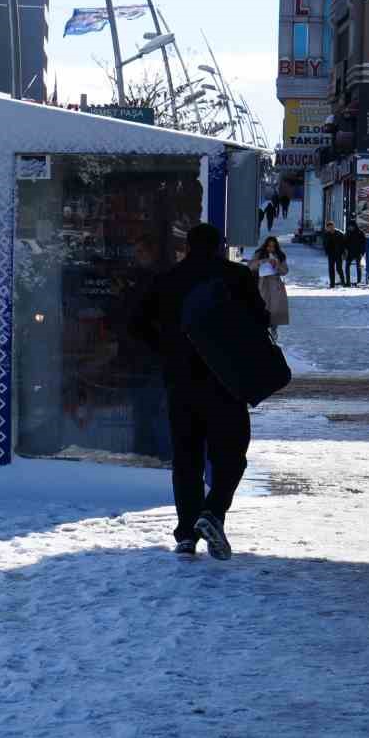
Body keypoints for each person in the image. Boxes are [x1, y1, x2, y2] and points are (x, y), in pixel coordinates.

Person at [130, 223, 269, 560]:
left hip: (181, 382)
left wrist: (167, 351)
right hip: (226, 381)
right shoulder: (236, 277)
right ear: (219, 245)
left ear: (187, 246)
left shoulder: (167, 280)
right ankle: (214, 510)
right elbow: (260, 320)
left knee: (186, 459)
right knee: (232, 455)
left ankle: (186, 534)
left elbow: (137, 323)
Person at [249, 235, 290, 336]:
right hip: (262, 283)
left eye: (273, 246)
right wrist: (262, 261)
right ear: (265, 246)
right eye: (269, 246)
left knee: (275, 308)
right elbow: (250, 266)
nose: (271, 249)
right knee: (263, 305)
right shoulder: (259, 254)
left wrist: (276, 265)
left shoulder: (280, 256)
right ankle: (263, 328)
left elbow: (285, 271)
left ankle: (274, 328)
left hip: (275, 285)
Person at [322, 220, 346, 288]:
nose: (330, 229)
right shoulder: (326, 234)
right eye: (329, 227)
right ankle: (332, 284)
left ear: (333, 226)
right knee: (331, 269)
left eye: (331, 227)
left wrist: (344, 252)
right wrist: (326, 251)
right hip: (331, 254)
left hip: (338, 253)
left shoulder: (340, 233)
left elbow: (344, 243)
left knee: (339, 268)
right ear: (327, 228)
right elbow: (324, 243)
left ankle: (343, 282)